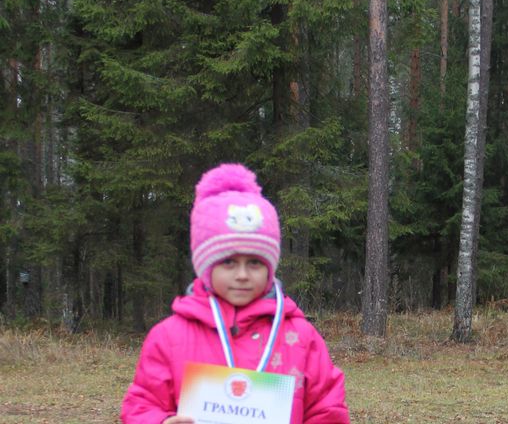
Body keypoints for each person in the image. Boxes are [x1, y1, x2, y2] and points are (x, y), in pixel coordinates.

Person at [121, 163, 349, 424]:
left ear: (270, 268)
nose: (242, 274)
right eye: (229, 262)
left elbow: (328, 410)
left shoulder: (301, 338)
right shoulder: (168, 336)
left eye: (254, 262)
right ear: (206, 267)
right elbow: (142, 404)